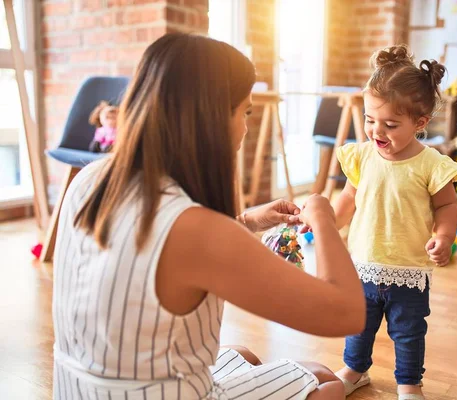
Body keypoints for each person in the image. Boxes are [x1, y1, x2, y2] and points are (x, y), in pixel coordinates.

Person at [52, 33, 365, 400]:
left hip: (80, 390)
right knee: (325, 380)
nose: (246, 126)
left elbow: (160, 254)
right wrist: (324, 218)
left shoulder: (91, 178)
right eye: (244, 111)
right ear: (212, 117)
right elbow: (346, 313)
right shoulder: (194, 229)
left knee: (244, 356)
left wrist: (245, 221)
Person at [332, 45, 457, 399]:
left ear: (420, 123)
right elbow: (349, 198)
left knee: (408, 331)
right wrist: (329, 222)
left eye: (390, 124)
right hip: (363, 261)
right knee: (358, 324)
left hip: (408, 266)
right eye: (369, 120)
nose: (377, 131)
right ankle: (355, 368)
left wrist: (445, 236)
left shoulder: (430, 164)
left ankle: (409, 384)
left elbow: (447, 205)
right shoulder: (361, 156)